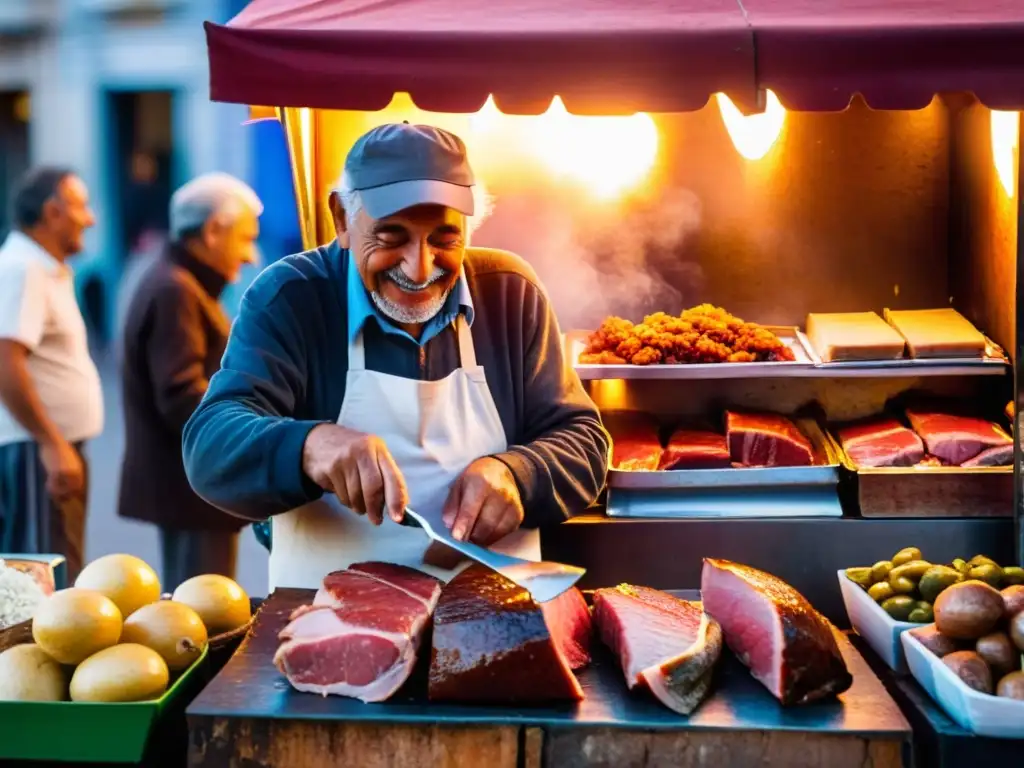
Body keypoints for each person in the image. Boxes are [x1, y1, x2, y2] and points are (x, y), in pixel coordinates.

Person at [183, 123, 610, 589]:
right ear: (343, 219)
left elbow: (584, 439)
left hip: (494, 621)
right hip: (330, 624)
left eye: (445, 239)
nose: (420, 267)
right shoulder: (290, 298)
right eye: (391, 237)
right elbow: (209, 444)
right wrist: (310, 446)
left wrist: (518, 473)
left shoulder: (512, 294)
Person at [117, 173, 262, 590]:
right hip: (192, 487)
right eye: (244, 238)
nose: (250, 255)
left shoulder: (176, 280)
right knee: (201, 609)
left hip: (190, 484)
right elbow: (182, 395)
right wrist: (248, 438)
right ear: (214, 231)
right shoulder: (176, 290)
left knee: (194, 600)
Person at [0, 167, 102, 580]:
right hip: (35, 450)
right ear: (52, 212)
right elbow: (6, 360)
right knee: (40, 581)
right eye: (80, 207)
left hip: (49, 447)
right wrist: (51, 444)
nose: (90, 219)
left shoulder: (43, 269)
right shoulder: (21, 269)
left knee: (57, 571)